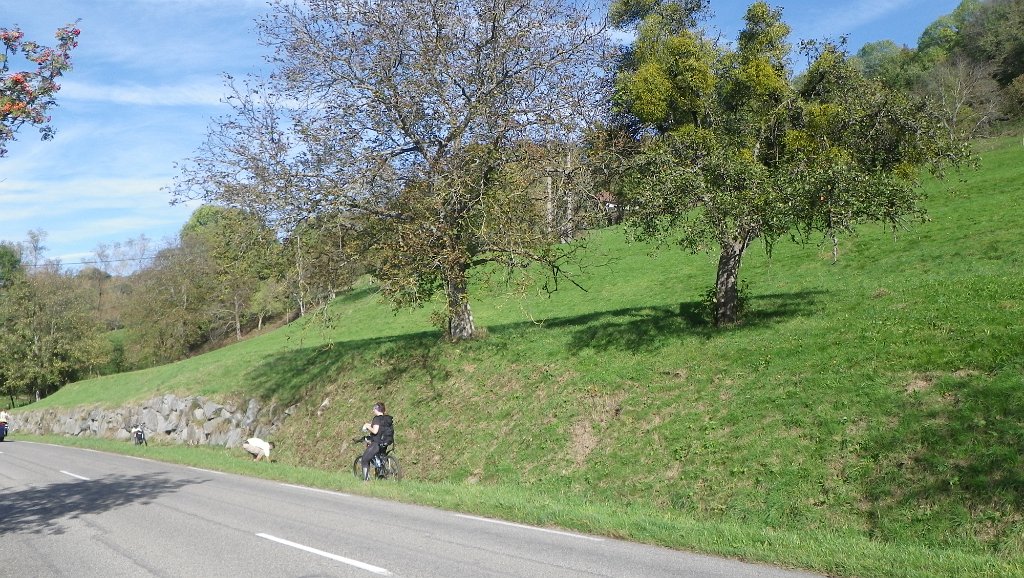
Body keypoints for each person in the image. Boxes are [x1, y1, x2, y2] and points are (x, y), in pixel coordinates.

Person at [359, 402, 394, 481]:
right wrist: (370, 425)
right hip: (386, 442)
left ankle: (366, 481)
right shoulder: (387, 419)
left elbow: (375, 431)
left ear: (377, 409)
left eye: (374, 409)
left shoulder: (377, 419)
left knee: (364, 459)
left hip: (377, 443)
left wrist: (367, 426)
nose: (373, 410)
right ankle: (381, 474)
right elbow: (381, 428)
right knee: (380, 460)